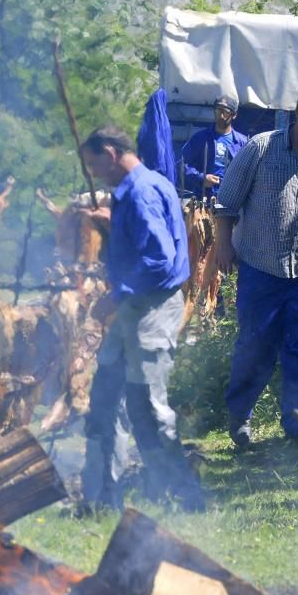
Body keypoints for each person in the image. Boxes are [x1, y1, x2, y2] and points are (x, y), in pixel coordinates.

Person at [78, 125, 205, 512]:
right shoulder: (140, 187)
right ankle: (102, 495)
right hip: (136, 305)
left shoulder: (142, 192)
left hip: (151, 307)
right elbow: (146, 237)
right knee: (106, 394)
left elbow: (160, 261)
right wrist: (114, 223)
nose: (96, 173)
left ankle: (182, 496)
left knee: (149, 405)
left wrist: (118, 294)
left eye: (95, 164)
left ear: (112, 153)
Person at [214, 84, 298, 447]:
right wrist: (223, 244)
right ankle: (240, 416)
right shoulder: (261, 148)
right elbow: (226, 202)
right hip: (260, 266)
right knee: (255, 345)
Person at [178, 94, 249, 199]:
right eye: (218, 110)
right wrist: (201, 178)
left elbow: (250, 173)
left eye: (226, 111)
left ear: (234, 115)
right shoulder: (200, 138)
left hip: (232, 201)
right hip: (203, 198)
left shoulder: (243, 142)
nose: (221, 115)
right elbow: (182, 163)